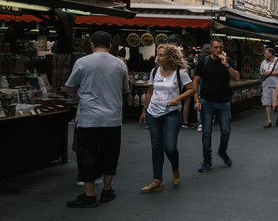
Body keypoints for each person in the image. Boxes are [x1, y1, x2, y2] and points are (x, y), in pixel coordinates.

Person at [64, 31, 129, 208]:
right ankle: (107, 190)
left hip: (89, 118)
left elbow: (69, 88)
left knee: (88, 155)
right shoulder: (120, 64)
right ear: (110, 46)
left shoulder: (82, 62)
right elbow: (124, 90)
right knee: (110, 154)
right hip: (112, 118)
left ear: (91, 45)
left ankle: (89, 194)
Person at [138, 44, 195, 193]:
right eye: (158, 54)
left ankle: (175, 169)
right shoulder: (154, 71)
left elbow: (192, 89)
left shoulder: (180, 73)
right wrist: (145, 110)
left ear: (170, 57)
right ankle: (157, 180)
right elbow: (150, 92)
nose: (158, 57)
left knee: (169, 147)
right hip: (153, 113)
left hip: (171, 114)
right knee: (156, 147)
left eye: (161, 55)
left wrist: (178, 98)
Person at [193, 37, 240, 172]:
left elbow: (237, 76)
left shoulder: (228, 61)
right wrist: (196, 100)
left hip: (224, 102)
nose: (218, 50)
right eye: (216, 47)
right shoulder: (204, 62)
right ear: (211, 48)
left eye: (220, 47)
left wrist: (226, 65)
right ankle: (207, 161)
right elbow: (195, 82)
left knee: (226, 130)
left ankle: (222, 151)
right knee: (206, 133)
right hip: (207, 102)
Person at [259, 47, 278, 128]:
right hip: (266, 85)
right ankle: (269, 120)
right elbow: (260, 73)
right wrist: (265, 74)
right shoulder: (263, 62)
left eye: (266, 53)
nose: (264, 55)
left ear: (270, 54)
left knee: (277, 102)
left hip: (276, 85)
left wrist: (272, 73)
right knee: (267, 103)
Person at [181, 48, 197, 128]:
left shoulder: (180, 62)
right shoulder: (191, 64)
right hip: (188, 85)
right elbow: (192, 76)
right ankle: (185, 121)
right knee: (186, 103)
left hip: (179, 85)